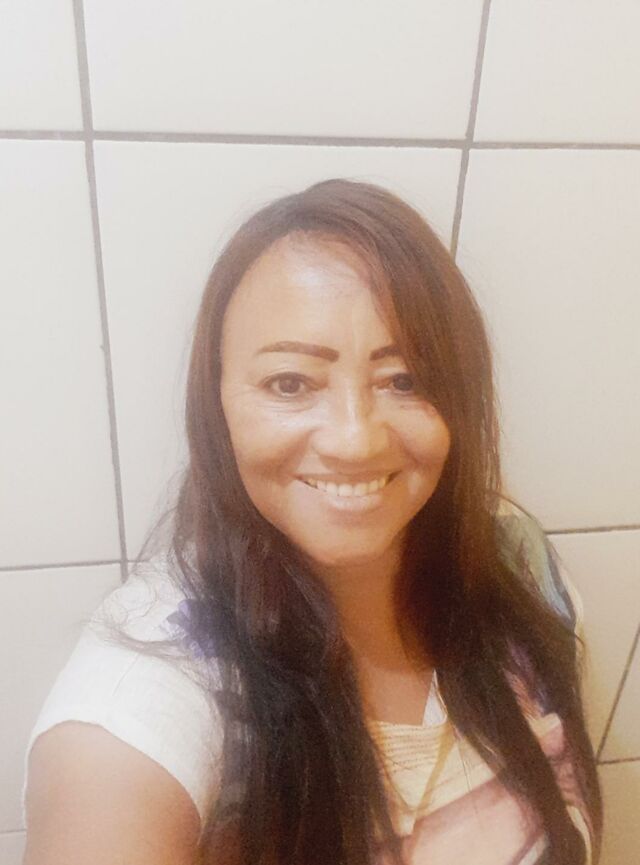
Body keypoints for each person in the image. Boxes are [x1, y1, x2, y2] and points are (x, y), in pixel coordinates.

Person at [22, 179, 602, 865]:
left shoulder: (523, 568)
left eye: (405, 380)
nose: (355, 440)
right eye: (291, 383)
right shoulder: (142, 697)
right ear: (216, 405)